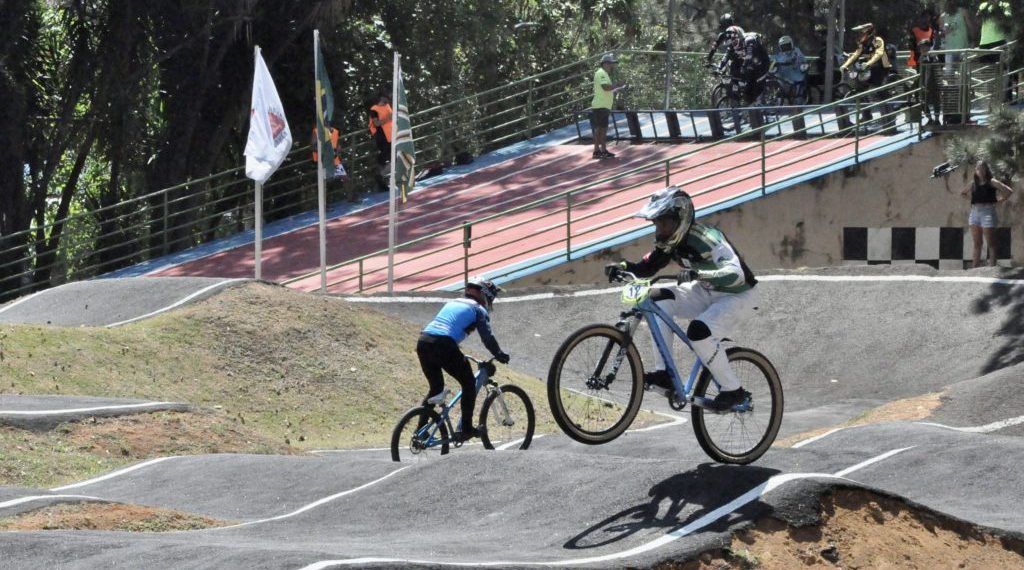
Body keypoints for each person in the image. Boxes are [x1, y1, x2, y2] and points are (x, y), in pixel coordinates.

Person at [604, 187, 759, 412]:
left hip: (738, 295)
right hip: (706, 290)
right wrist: (623, 266)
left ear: (680, 220)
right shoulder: (670, 242)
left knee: (698, 332)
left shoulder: (707, 238)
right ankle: (665, 373)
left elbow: (736, 274)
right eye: (656, 224)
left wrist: (700, 274)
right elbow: (646, 267)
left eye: (663, 223)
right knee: (656, 299)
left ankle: (733, 391)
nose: (659, 229)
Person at [417, 277, 510, 441]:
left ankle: (420, 432)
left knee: (436, 388)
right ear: (485, 294)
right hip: (444, 344)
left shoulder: (453, 302)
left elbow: (445, 328)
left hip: (424, 341)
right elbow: (487, 338)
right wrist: (499, 354)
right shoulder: (478, 309)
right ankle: (466, 428)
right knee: (468, 384)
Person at [960, 160, 1013, 268]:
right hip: (975, 212)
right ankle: (975, 269)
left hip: (988, 212)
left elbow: (1008, 191)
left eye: (983, 168)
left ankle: (992, 269)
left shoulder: (992, 181)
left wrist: (999, 200)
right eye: (978, 168)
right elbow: (962, 193)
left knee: (991, 244)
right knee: (977, 243)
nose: (981, 170)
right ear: (976, 170)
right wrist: (973, 199)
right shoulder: (973, 183)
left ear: (986, 170)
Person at [907, 9, 941, 125]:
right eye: (921, 48)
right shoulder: (920, 58)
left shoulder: (932, 57)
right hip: (923, 83)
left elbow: (936, 71)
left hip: (933, 83)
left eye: (925, 47)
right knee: (921, 99)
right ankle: (930, 119)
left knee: (936, 99)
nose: (923, 50)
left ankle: (936, 119)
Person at [590, 53, 626, 159]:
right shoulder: (601, 73)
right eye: (611, 63)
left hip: (602, 105)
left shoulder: (604, 74)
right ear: (605, 64)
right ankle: (602, 150)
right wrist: (618, 84)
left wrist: (618, 88)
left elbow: (607, 90)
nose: (612, 66)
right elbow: (605, 87)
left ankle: (598, 150)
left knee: (600, 128)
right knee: (602, 128)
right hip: (601, 105)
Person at [840, 23, 893, 90]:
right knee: (861, 82)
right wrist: (845, 65)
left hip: (882, 66)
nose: (859, 36)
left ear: (868, 32)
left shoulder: (877, 40)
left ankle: (878, 95)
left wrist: (868, 64)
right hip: (870, 66)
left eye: (861, 34)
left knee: (876, 87)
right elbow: (856, 54)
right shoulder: (863, 43)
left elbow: (878, 54)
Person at [939, 1, 974, 73]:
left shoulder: (962, 12)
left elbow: (970, 27)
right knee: (949, 73)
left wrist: (973, 40)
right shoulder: (942, 17)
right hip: (949, 50)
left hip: (963, 48)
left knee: (963, 73)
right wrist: (944, 32)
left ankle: (962, 84)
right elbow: (942, 33)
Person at [770, 36, 808, 102]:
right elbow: (776, 59)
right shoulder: (781, 54)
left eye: (787, 45)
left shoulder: (796, 51)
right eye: (783, 46)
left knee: (798, 94)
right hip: (784, 75)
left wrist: (790, 61)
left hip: (795, 73)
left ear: (791, 44)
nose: (785, 48)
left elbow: (799, 59)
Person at [368, 94, 393, 166]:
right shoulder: (374, 109)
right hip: (380, 133)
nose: (389, 99)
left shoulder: (388, 106)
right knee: (385, 151)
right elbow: (376, 123)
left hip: (390, 132)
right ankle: (381, 167)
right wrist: (388, 118)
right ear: (381, 98)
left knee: (392, 151)